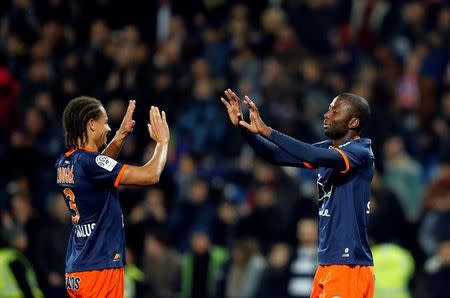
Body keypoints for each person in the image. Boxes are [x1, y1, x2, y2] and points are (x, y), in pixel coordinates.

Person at [220, 89, 375, 297]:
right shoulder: (329, 150)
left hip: (349, 264)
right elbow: (276, 155)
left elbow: (311, 154)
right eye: (329, 109)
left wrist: (268, 131)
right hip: (329, 263)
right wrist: (242, 127)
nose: (327, 114)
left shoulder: (360, 152)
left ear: (353, 123)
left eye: (335, 111)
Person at [55, 96, 170, 298]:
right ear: (91, 124)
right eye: (105, 122)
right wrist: (163, 142)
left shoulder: (65, 162)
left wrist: (120, 135)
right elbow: (151, 175)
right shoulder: (90, 163)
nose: (108, 128)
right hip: (100, 269)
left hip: (77, 267)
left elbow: (98, 167)